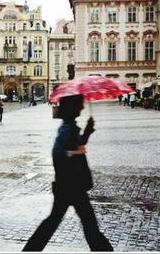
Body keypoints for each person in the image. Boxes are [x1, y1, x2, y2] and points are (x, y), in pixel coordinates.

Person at [22, 94, 114, 252]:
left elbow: (78, 144)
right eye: (80, 105)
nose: (83, 107)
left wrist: (88, 131)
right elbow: (58, 152)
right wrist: (74, 153)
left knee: (61, 222)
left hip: (70, 185)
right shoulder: (67, 129)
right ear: (73, 108)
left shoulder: (71, 126)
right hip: (71, 185)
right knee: (86, 224)